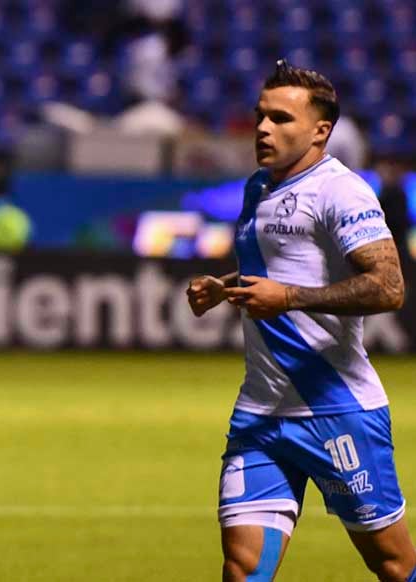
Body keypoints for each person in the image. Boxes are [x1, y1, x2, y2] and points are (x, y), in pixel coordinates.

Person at [187, 60, 414, 582]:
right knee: (243, 570)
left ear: (320, 130)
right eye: (261, 116)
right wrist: (224, 287)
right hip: (261, 415)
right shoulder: (257, 188)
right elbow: (278, 265)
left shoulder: (342, 191)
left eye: (282, 119)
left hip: (337, 410)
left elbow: (389, 285)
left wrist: (288, 297)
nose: (264, 128)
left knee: (395, 566)